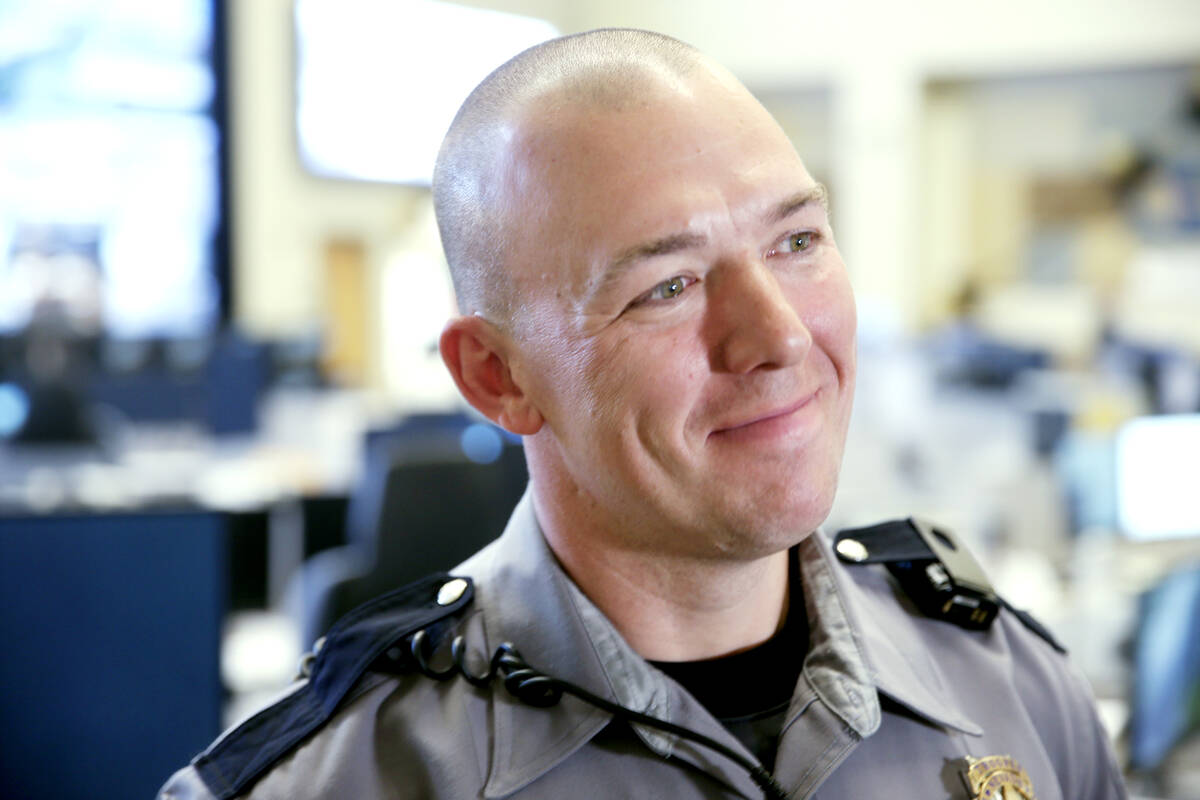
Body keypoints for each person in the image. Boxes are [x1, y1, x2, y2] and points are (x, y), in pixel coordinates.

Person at [160, 29, 1128, 799]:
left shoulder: (1014, 689)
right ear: (498, 376)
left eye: (797, 239)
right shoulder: (339, 780)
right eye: (667, 286)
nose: (780, 335)